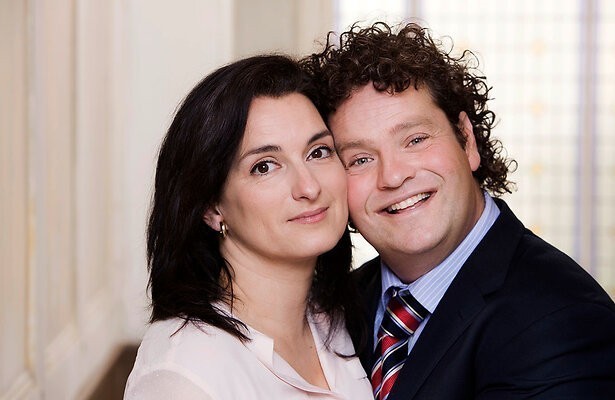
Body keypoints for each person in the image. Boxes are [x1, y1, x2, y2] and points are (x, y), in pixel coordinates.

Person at [302, 22, 615, 400]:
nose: (394, 176)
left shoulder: (562, 319)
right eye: (360, 159)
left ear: (466, 140)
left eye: (415, 140)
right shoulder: (333, 308)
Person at [124, 55, 373, 399]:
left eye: (318, 152)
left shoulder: (342, 318)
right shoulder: (182, 375)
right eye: (265, 166)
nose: (309, 187)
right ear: (211, 207)